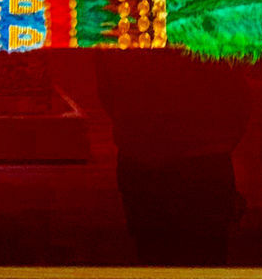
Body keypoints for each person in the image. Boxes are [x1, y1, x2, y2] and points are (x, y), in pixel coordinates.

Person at [97, 47, 251, 265]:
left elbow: (108, 91)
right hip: (205, 162)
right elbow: (236, 89)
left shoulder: (123, 33)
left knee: (152, 254)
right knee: (206, 257)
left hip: (143, 162)